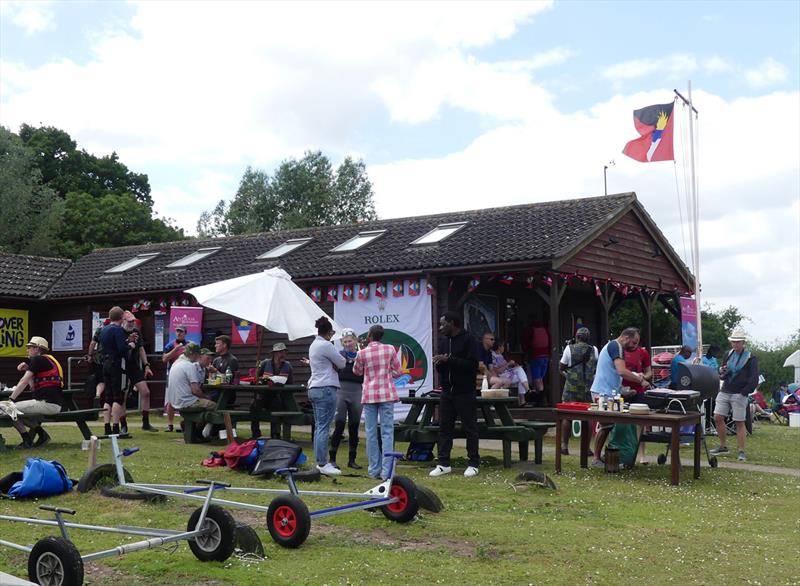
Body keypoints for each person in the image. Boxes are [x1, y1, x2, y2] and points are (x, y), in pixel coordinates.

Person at [429, 310, 481, 478]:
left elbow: (472, 365)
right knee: (444, 428)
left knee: (470, 427)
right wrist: (439, 363)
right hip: (447, 391)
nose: (440, 327)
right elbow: (443, 368)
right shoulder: (444, 342)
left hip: (465, 391)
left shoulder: (469, 340)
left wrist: (449, 360)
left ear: (453, 324)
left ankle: (473, 463)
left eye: (443, 324)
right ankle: (443, 463)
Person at [589, 327, 650, 467]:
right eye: (634, 342)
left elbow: (612, 374)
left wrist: (624, 390)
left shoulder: (615, 347)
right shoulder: (616, 346)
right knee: (605, 425)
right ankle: (596, 458)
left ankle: (601, 456)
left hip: (607, 392)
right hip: (602, 393)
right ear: (626, 338)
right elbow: (621, 371)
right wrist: (640, 380)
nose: (635, 346)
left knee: (608, 425)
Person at [353, 325, 402, 480]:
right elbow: (398, 371)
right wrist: (387, 373)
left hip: (369, 395)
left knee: (371, 433)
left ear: (369, 336)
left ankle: (374, 469)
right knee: (387, 432)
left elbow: (357, 371)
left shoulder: (362, 353)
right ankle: (388, 471)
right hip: (386, 393)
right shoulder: (390, 349)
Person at [6, 337, 64, 449]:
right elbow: (33, 388)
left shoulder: (38, 360)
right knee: (18, 413)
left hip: (46, 404)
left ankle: (27, 441)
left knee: (7, 409)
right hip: (52, 404)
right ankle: (42, 435)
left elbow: (23, 381)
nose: (27, 350)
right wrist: (27, 369)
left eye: (29, 347)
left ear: (37, 349)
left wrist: (11, 400)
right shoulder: (46, 360)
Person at [711, 328, 758, 462]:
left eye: (738, 342)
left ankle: (741, 451)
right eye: (733, 342)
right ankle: (723, 446)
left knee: (739, 421)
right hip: (725, 389)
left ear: (743, 342)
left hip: (739, 393)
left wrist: (744, 392)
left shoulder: (750, 357)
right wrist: (722, 372)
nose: (735, 344)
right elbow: (723, 372)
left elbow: (753, 377)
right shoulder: (728, 354)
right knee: (718, 417)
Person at [307, 316, 346, 476]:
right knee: (324, 427)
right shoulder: (326, 345)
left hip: (314, 387)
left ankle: (319, 460)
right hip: (326, 388)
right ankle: (322, 463)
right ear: (329, 333)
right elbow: (342, 362)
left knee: (319, 427)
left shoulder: (313, 345)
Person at [558, 327, 598, 455]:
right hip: (588, 388)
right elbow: (595, 366)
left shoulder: (569, 349)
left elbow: (562, 366)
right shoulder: (594, 350)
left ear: (577, 337)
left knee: (567, 416)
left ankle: (564, 446)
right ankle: (586, 448)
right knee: (588, 418)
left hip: (571, 388)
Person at [329, 329, 364, 469]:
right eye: (345, 342)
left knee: (354, 426)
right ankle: (332, 458)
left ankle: (352, 459)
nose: (348, 344)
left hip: (356, 391)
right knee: (339, 424)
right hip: (341, 391)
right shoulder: (339, 355)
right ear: (342, 343)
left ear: (355, 341)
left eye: (350, 341)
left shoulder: (362, 355)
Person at [167, 343, 216, 439]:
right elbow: (195, 390)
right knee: (214, 406)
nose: (198, 357)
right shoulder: (189, 366)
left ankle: (190, 427)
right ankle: (202, 433)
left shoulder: (176, 363)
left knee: (206, 404)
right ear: (193, 354)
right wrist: (206, 397)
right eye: (198, 355)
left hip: (175, 401)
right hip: (187, 401)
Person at [99, 306, 136, 435]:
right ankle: (116, 427)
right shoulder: (118, 330)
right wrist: (130, 345)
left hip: (106, 363)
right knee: (117, 397)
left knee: (107, 397)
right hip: (117, 365)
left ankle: (106, 427)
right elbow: (121, 349)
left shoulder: (104, 330)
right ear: (121, 318)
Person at [121, 311, 157, 432]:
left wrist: (146, 365)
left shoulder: (136, 332)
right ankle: (123, 425)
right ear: (123, 320)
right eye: (129, 321)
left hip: (135, 366)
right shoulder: (119, 332)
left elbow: (141, 349)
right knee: (123, 396)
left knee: (145, 392)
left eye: (133, 321)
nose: (132, 323)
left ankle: (145, 422)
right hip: (122, 367)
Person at [251, 342, 294, 439]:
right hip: (265, 394)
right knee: (253, 405)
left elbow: (288, 383)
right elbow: (257, 379)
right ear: (274, 353)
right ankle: (255, 433)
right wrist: (261, 378)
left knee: (276, 404)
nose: (282, 355)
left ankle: (275, 433)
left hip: (280, 396)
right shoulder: (265, 363)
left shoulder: (287, 366)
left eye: (283, 352)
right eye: (279, 352)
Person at [624, 342, 652, 464]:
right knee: (621, 422)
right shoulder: (620, 352)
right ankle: (624, 451)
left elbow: (649, 372)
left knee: (640, 423)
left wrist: (643, 377)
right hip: (622, 390)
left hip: (639, 391)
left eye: (636, 341)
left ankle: (642, 454)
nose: (634, 344)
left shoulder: (643, 352)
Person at [162, 324, 189, 432]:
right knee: (171, 400)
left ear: (185, 333)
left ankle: (185, 423)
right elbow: (164, 359)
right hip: (173, 375)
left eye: (181, 331)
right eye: (177, 331)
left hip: (186, 375)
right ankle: (170, 424)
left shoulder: (190, 345)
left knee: (186, 399)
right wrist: (176, 349)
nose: (178, 333)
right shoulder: (170, 345)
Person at [489, 339, 530, 406]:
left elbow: (506, 367)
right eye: (503, 346)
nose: (503, 348)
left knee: (519, 373)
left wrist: (512, 365)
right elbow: (498, 371)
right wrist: (508, 364)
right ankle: (527, 392)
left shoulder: (500, 355)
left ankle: (523, 400)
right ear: (499, 347)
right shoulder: (493, 356)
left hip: (506, 374)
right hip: (500, 377)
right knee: (519, 371)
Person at [527, 319, 550, 405]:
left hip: (536, 356)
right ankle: (543, 399)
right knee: (541, 379)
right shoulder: (545, 330)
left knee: (537, 379)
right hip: (546, 357)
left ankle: (541, 400)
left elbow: (527, 343)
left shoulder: (532, 330)